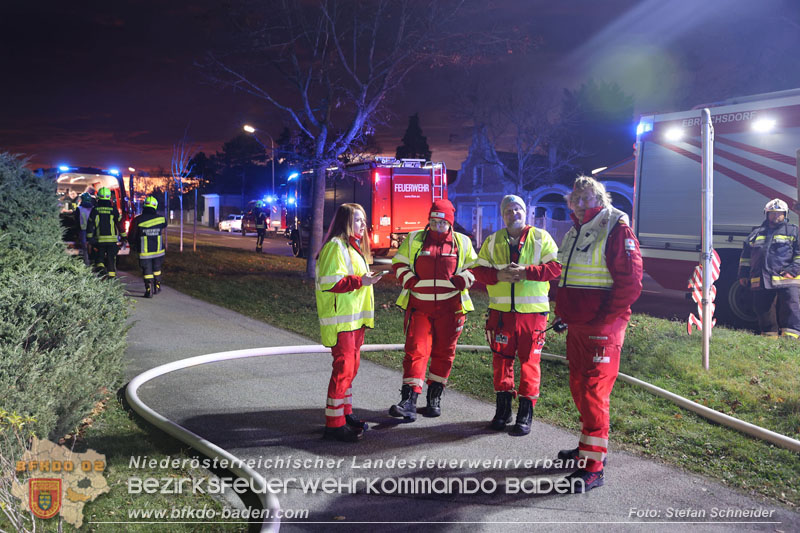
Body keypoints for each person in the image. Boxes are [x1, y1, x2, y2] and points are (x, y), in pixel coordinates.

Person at [553, 176, 642, 493]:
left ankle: (593, 467)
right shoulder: (576, 230)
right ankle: (588, 449)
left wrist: (605, 320)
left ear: (601, 199)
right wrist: (564, 313)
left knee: (593, 392)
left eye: (585, 197)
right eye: (574, 198)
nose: (578, 203)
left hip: (601, 327)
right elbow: (567, 275)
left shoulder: (615, 226)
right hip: (579, 324)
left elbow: (631, 283)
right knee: (579, 388)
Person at [472, 195, 562, 436]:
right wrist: (498, 276)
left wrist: (526, 272)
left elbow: (555, 268)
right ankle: (503, 411)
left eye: (518, 209)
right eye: (509, 210)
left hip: (532, 315)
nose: (514, 213)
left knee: (530, 363)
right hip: (501, 315)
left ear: (527, 212)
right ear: (503, 215)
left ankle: (525, 414)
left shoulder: (541, 238)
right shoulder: (492, 241)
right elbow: (478, 271)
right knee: (501, 362)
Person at [389, 199, 478, 421]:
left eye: (442, 222)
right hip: (421, 307)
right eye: (433, 221)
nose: (437, 226)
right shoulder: (415, 239)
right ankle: (409, 401)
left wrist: (464, 279)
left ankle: (434, 398)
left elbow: (475, 268)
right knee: (416, 351)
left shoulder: (462, 242)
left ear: (450, 223)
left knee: (444, 353)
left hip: (452, 309)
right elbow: (399, 263)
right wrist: (410, 281)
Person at [315, 203, 383, 442]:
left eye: (364, 220)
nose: (363, 225)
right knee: (343, 369)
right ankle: (333, 425)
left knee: (350, 370)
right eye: (357, 220)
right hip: (342, 321)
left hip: (353, 321)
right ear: (345, 221)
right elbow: (331, 282)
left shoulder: (352, 247)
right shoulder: (336, 247)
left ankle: (345, 415)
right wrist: (360, 281)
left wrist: (364, 280)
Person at [738, 198, 800, 339]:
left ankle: (790, 339)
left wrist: (792, 271)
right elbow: (746, 257)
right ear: (766, 214)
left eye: (779, 213)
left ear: (785, 214)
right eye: (772, 213)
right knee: (763, 308)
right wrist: (743, 274)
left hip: (787, 278)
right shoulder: (756, 233)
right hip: (761, 278)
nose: (776, 216)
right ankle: (768, 338)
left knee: (790, 308)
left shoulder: (793, 231)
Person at [129, 195, 167, 298]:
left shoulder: (137, 220)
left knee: (147, 270)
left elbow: (132, 235)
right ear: (155, 206)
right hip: (158, 251)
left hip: (144, 251)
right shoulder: (161, 219)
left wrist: (132, 244)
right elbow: (164, 225)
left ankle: (148, 289)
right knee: (157, 269)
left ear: (144, 206)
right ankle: (157, 286)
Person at [86, 187, 126, 279]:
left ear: (98, 197)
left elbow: (90, 225)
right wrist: (124, 236)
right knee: (111, 259)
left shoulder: (95, 210)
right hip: (111, 240)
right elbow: (119, 224)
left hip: (99, 240)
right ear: (109, 198)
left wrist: (90, 239)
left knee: (99, 257)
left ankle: (101, 269)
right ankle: (111, 278)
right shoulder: (113, 210)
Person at [75, 192, 95, 266]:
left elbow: (76, 220)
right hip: (92, 230)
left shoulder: (79, 209)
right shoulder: (93, 208)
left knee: (84, 248)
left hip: (82, 229)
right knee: (92, 246)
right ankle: (93, 261)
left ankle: (87, 263)